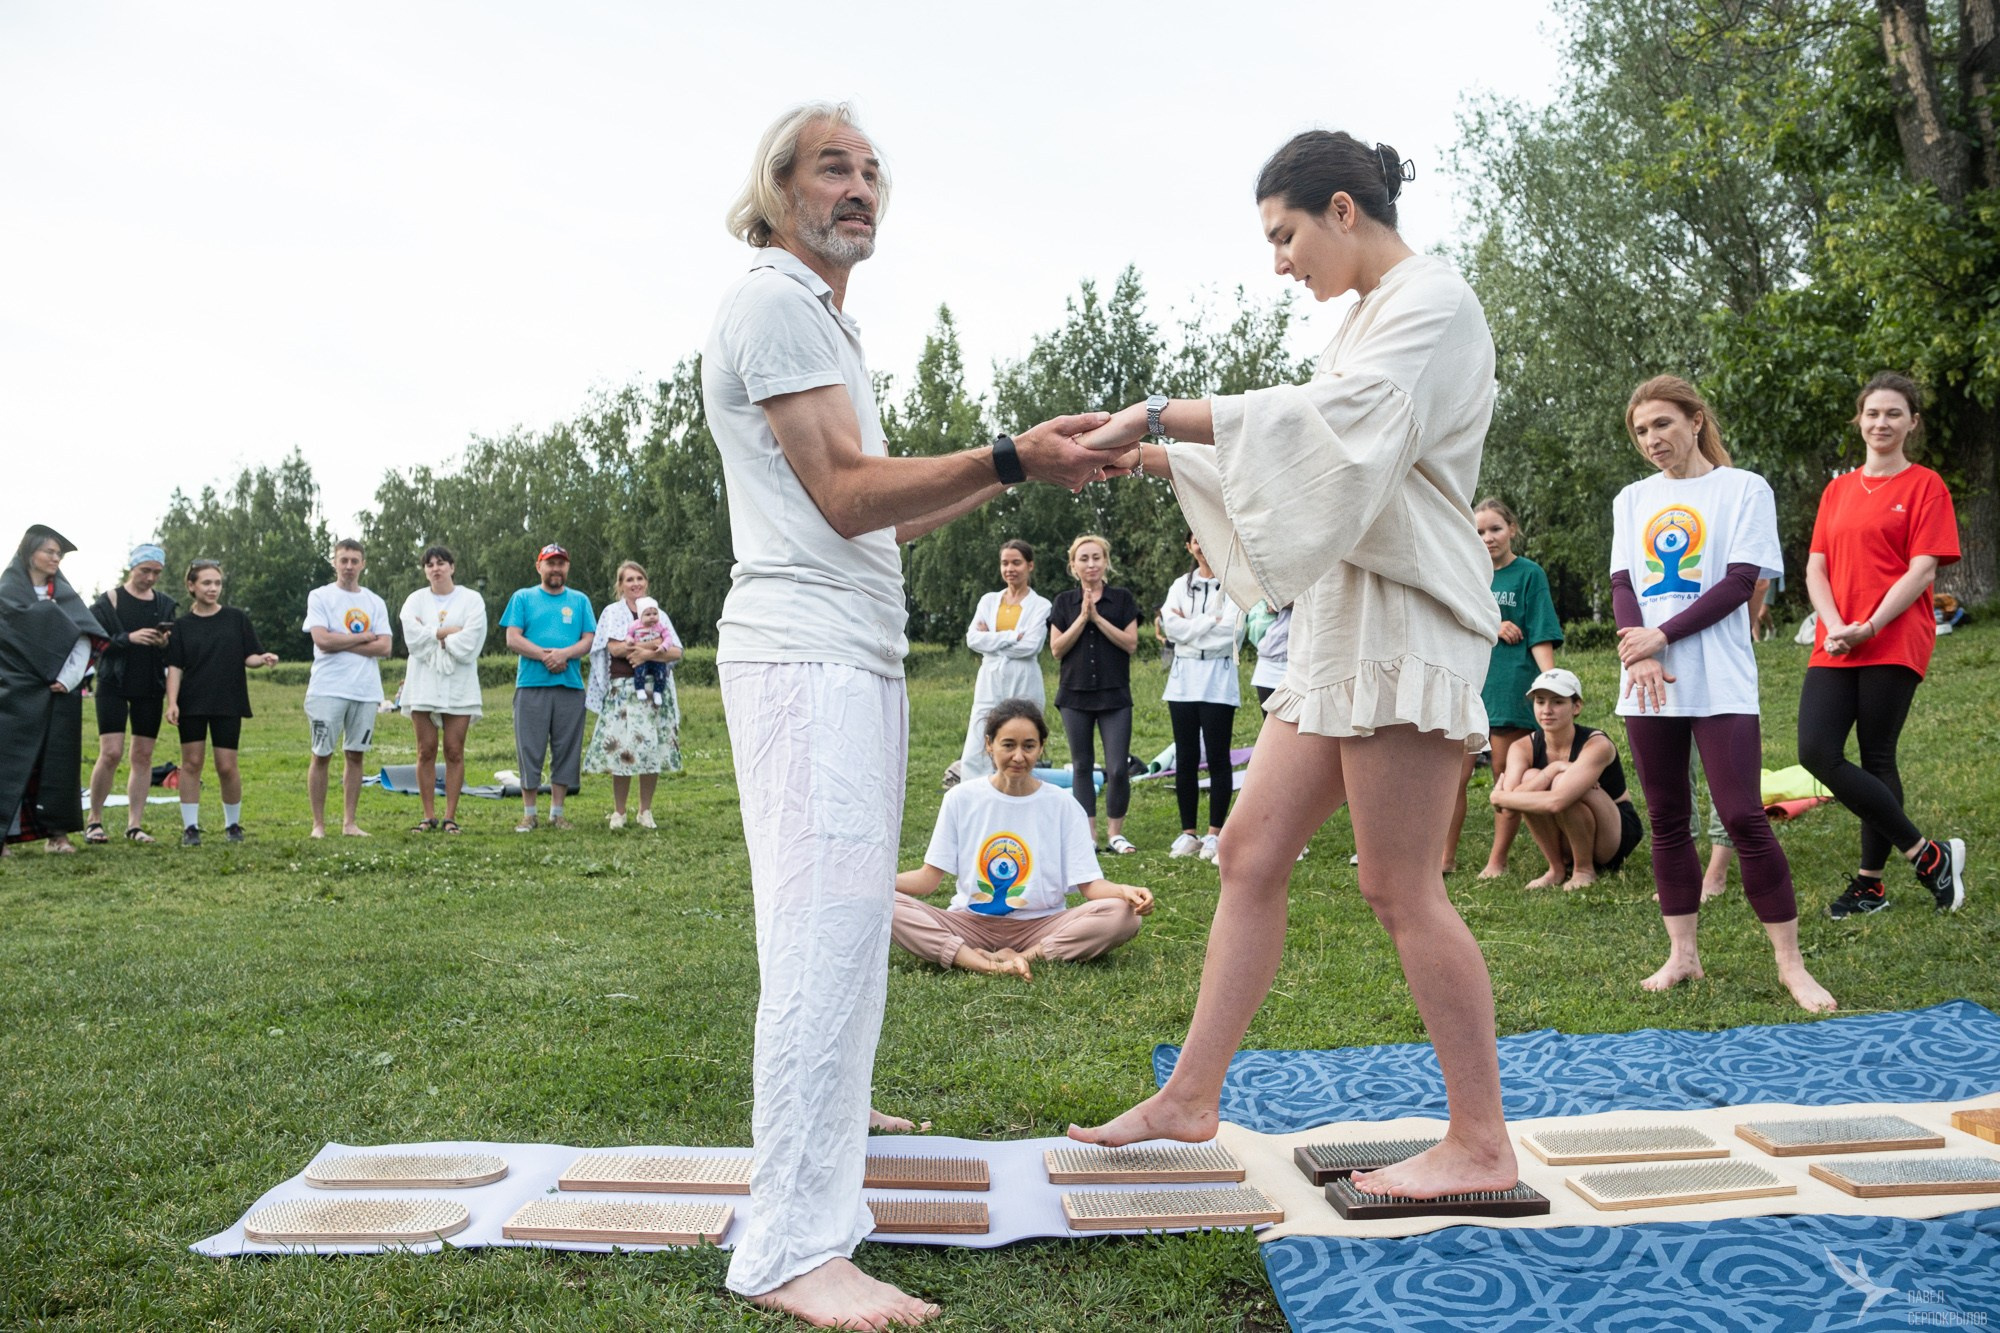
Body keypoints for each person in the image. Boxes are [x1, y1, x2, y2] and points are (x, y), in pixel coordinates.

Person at [701, 101, 1106, 1328]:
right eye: (834, 167)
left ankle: (815, 1152)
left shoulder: (822, 321)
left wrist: (1010, 474)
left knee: (828, 934)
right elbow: (840, 494)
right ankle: (787, 1248)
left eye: (874, 171)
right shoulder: (772, 302)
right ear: (775, 190)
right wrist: (1006, 460)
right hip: (806, 657)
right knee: (825, 941)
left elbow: (877, 504)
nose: (861, 187)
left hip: (846, 657)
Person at [1069, 130, 1518, 1201]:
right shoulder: (1364, 317)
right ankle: (1187, 1096)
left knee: (1396, 883)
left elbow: (1339, 430)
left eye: (1284, 235)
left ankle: (1479, 1140)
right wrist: (1157, 453)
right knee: (1247, 851)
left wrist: (1156, 413)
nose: (1278, 261)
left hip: (1404, 614)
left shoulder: (1433, 299)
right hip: (1339, 620)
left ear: (1341, 210)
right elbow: (1308, 457)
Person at [1611, 375, 1834, 1013]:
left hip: (1721, 677)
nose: (1652, 439)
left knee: (1741, 817)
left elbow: (1739, 583)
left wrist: (1659, 637)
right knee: (1667, 820)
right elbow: (1624, 582)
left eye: (1662, 424)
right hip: (1647, 678)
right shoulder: (1631, 499)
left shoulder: (1744, 489)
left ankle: (1791, 966)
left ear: (1695, 419)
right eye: (1641, 431)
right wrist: (1639, 647)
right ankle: (1682, 956)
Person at [1799, 372, 1965, 918]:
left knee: (1876, 755)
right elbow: (1816, 566)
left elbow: (1922, 572)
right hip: (1835, 638)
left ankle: (1870, 885)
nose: (1881, 423)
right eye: (1872, 413)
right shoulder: (1838, 489)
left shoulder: (1925, 485)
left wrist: (1868, 626)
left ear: (1911, 422)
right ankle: (1928, 854)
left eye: (1894, 413)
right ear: (1859, 420)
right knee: (1816, 752)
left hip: (1893, 638)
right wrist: (1835, 624)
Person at [894, 699, 1152, 978]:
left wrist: (1124, 891)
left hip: (1042, 925)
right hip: (970, 923)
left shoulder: (1063, 805)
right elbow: (928, 879)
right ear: (989, 744)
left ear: (1041, 747)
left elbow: (1090, 886)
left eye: (1028, 746)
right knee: (888, 904)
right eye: (1008, 745)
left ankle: (1024, 956)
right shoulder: (960, 799)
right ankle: (982, 963)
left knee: (1123, 915)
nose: (1018, 756)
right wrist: (878, 884)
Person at [1448, 499, 1561, 877]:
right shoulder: (1465, 574)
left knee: (1504, 772)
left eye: (1495, 529)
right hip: (1466, 683)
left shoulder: (1529, 575)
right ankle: (1443, 858)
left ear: (1512, 529)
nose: (1487, 538)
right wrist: (1491, 623)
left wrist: (1550, 685)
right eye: (1479, 532)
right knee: (1454, 777)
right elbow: (1450, 622)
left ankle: (1497, 860)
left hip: (1510, 685)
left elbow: (1541, 633)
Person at [0, 527, 107, 856]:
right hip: (14, 694)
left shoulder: (64, 596)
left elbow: (84, 638)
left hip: (60, 693)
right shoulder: (6, 595)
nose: (55, 558)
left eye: (59, 553)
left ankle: (57, 836)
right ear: (30, 552)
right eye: (49, 551)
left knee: (57, 763)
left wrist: (69, 678)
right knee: (10, 764)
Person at [1488, 668, 1644, 889]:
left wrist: (1500, 797)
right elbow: (1510, 809)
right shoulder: (1522, 747)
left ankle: (1584, 869)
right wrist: (1550, 771)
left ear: (1576, 707)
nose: (1547, 710)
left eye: (1558, 702)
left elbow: (1557, 801)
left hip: (1613, 835)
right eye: (1540, 702)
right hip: (1568, 829)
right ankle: (1556, 868)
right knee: (1534, 777)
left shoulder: (1596, 744)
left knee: (1562, 783)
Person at [164, 560, 278, 844]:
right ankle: (191, 828)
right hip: (192, 702)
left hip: (228, 700)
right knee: (191, 764)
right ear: (191, 586)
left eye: (217, 583)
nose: (213, 588)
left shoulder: (236, 618)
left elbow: (249, 656)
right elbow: (175, 668)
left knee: (227, 766)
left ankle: (233, 825)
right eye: (206, 583)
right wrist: (173, 702)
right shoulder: (181, 626)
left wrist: (262, 660)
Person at [1048, 535, 1140, 853]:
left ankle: (1116, 833)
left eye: (1096, 557)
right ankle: (1088, 836)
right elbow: (1057, 649)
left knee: (1116, 767)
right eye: (1084, 558)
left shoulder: (1122, 599)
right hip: (1074, 695)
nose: (1091, 564)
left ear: (1106, 561)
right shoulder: (1063, 603)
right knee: (1082, 765)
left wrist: (1098, 619)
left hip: (1114, 695)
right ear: (1073, 565)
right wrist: (1082, 618)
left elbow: (1130, 644)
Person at [85, 544, 176, 844]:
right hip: (113, 683)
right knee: (110, 753)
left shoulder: (164, 603)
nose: (150, 578)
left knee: (143, 755)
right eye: (144, 571)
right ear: (131, 568)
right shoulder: (108, 601)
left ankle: (134, 825)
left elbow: (173, 648)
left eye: (156, 573)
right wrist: (129, 638)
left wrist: (163, 644)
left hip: (149, 685)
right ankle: (94, 820)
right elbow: (95, 642)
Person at [1160, 532, 1242, 861]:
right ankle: (1188, 832)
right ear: (1188, 546)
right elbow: (1171, 628)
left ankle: (1214, 834)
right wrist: (1208, 622)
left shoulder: (1232, 585)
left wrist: (1190, 629)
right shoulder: (1180, 586)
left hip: (1218, 680)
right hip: (1183, 681)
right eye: (1196, 540)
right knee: (1186, 756)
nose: (1202, 545)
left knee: (1219, 757)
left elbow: (1234, 632)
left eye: (1208, 538)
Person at [501, 543, 595, 832]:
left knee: (566, 748)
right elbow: (513, 638)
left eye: (561, 563)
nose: (556, 568)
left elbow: (589, 639)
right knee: (530, 747)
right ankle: (529, 813)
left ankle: (558, 812)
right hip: (532, 684)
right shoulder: (523, 598)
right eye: (550, 563)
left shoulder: (579, 601)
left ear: (567, 567)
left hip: (569, 685)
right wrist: (545, 656)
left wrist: (564, 655)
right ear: (538, 566)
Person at [302, 539, 392, 838]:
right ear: (335, 562)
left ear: (363, 563)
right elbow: (322, 641)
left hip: (365, 691)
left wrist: (343, 639)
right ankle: (318, 824)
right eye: (344, 560)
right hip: (327, 688)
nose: (349, 566)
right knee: (322, 754)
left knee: (356, 755)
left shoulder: (374, 602)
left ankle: (349, 823)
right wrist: (364, 637)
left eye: (355, 560)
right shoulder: (320, 596)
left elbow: (385, 647)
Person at [397, 545, 487, 834]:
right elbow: (413, 638)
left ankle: (450, 816)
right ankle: (428, 815)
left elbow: (472, 640)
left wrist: (433, 634)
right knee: (425, 750)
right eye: (429, 564)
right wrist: (446, 631)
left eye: (441, 563)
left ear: (452, 567)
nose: (435, 568)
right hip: (423, 679)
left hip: (459, 682)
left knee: (453, 749)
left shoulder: (471, 599)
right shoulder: (414, 600)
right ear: (425, 570)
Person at [582, 561, 679, 830]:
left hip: (653, 689)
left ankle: (645, 810)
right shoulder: (613, 612)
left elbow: (676, 650)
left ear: (646, 582)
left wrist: (646, 652)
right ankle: (619, 811)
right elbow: (613, 648)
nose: (635, 583)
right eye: (629, 579)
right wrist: (653, 647)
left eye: (639, 578)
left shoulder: (657, 612)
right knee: (623, 749)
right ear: (621, 585)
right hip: (624, 688)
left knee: (651, 748)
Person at [957, 540, 1050, 779]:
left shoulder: (1040, 606)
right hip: (990, 678)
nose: (1010, 568)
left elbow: (1030, 646)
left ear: (1030, 565)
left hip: (1023, 677)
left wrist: (991, 640)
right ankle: (976, 792)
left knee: (1021, 733)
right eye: (1005, 563)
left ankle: (1018, 790)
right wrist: (1011, 636)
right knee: (979, 736)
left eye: (1016, 563)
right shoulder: (988, 601)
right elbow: (973, 639)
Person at [626, 599, 679, 706]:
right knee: (639, 672)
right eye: (648, 614)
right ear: (641, 615)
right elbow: (628, 634)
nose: (652, 617)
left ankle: (658, 692)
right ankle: (640, 688)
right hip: (641, 656)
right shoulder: (635, 625)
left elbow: (668, 638)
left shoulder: (660, 626)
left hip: (657, 657)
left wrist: (664, 646)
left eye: (655, 614)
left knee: (661, 673)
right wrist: (629, 640)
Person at [1246, 600, 1292, 709]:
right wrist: (1270, 610)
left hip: (1297, 667)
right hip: (1266, 670)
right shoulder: (1262, 597)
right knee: (1269, 721)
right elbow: (1254, 635)